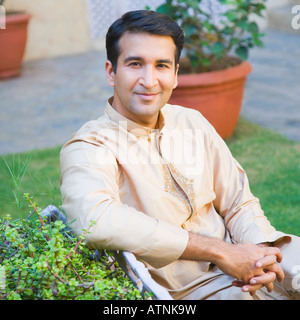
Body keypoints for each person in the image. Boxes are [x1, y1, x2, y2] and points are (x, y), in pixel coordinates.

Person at [60, 10, 300, 300]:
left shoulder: (191, 121)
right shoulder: (90, 146)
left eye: (161, 66)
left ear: (175, 75)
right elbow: (95, 220)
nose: (149, 80)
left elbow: (238, 201)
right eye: (135, 64)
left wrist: (259, 252)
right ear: (112, 72)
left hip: (248, 252)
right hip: (192, 292)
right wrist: (221, 252)